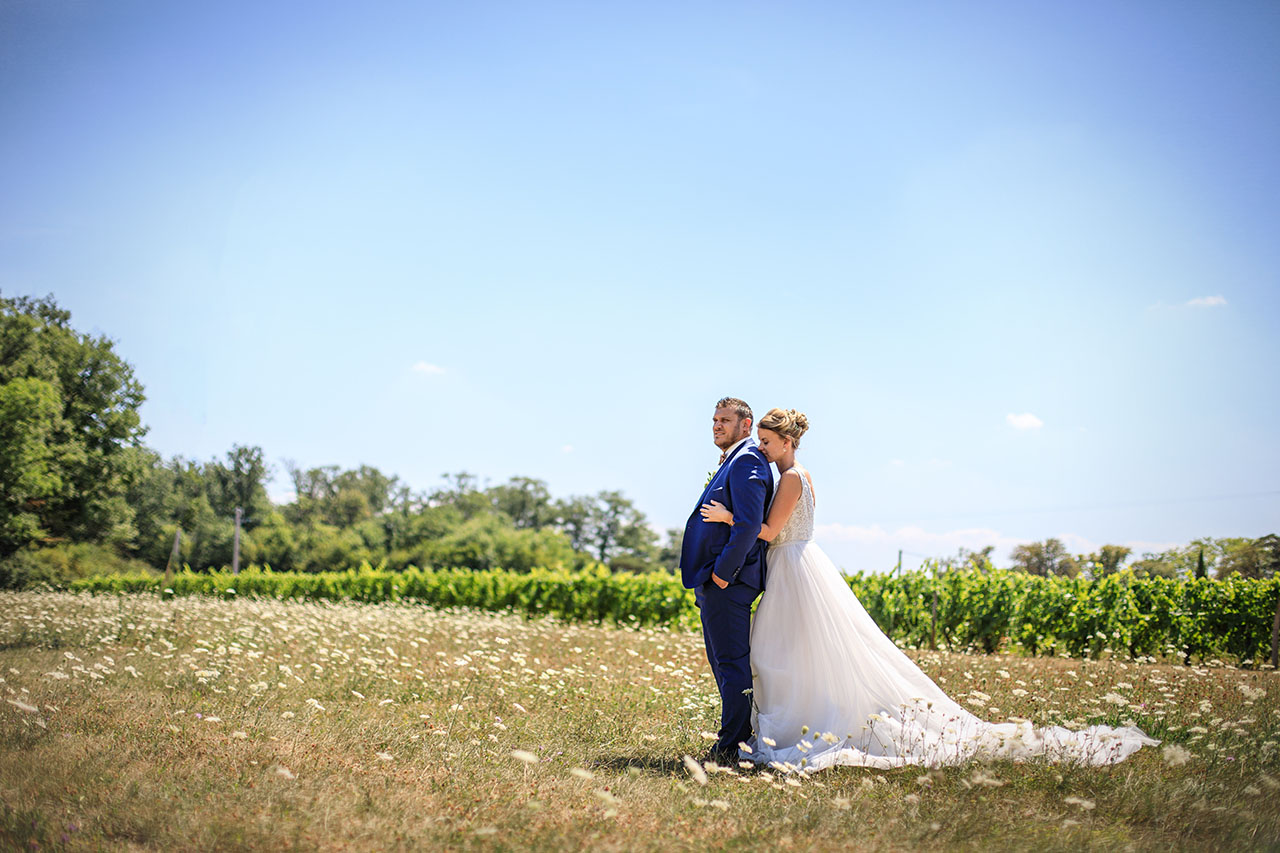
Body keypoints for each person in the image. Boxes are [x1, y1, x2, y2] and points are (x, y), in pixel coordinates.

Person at [699, 407, 1158, 771]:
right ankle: (790, 722)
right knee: (786, 653)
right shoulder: (795, 476)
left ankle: (803, 726)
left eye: (766, 441)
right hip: (796, 566)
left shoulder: (793, 477)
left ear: (788, 442)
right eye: (758, 440)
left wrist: (729, 518)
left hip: (794, 567)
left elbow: (771, 530)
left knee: (781, 652)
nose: (760, 447)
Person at [680, 397, 774, 763]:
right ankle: (734, 736)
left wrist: (722, 574)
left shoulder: (748, 458)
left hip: (729, 582)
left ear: (746, 425)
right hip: (716, 581)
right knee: (721, 660)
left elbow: (749, 525)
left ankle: (733, 743)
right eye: (714, 419)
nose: (717, 425)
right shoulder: (735, 458)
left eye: (725, 420)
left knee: (731, 662)